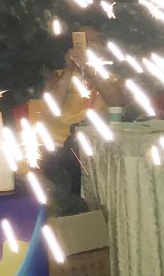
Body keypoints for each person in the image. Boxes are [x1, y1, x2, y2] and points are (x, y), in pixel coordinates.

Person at [40, 25, 125, 213]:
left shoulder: (112, 79)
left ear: (103, 47)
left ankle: (83, 214)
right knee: (71, 151)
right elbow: (50, 108)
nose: (86, 46)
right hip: (59, 148)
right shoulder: (59, 76)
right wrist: (69, 70)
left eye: (92, 41)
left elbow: (117, 102)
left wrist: (91, 70)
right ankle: (75, 213)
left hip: (99, 149)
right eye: (82, 41)